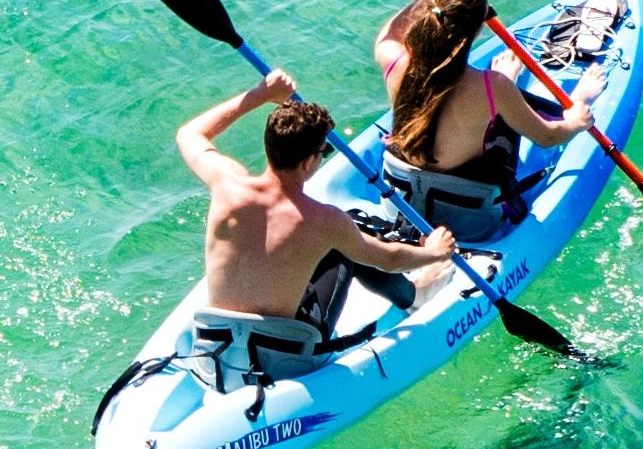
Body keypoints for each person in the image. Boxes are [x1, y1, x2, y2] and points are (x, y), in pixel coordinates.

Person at [174, 69, 460, 376]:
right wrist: (434, 252)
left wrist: (260, 95)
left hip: (215, 349)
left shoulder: (226, 184)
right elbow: (387, 259)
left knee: (327, 245)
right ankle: (415, 295)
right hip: (281, 358)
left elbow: (189, 134)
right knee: (348, 244)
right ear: (309, 161)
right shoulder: (324, 222)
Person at [365, 0, 588, 234]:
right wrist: (577, 117)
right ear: (479, 27)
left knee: (495, 104)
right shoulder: (492, 86)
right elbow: (547, 137)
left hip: (399, 205)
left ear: (429, 14)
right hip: (467, 222)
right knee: (502, 117)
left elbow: (389, 35)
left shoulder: (394, 61)